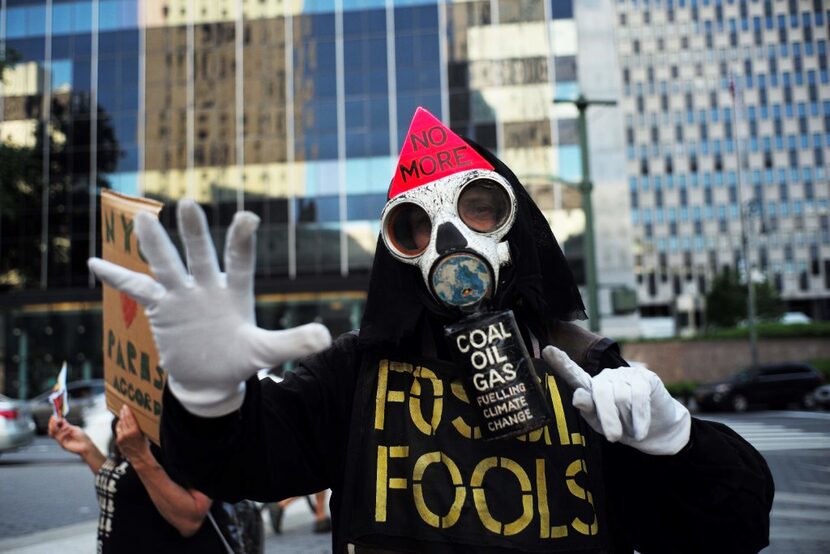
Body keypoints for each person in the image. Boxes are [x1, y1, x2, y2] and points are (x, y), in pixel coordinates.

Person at [89, 107, 774, 553]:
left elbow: (734, 529)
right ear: (398, 249)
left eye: (480, 209)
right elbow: (241, 463)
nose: (446, 239)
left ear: (517, 225)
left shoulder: (593, 384)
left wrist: (675, 443)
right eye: (415, 225)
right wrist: (209, 401)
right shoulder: (357, 375)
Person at [49, 404, 224, 553]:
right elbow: (129, 483)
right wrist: (86, 448)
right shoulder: (132, 404)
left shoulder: (196, 414)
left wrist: (140, 456)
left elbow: (190, 520)